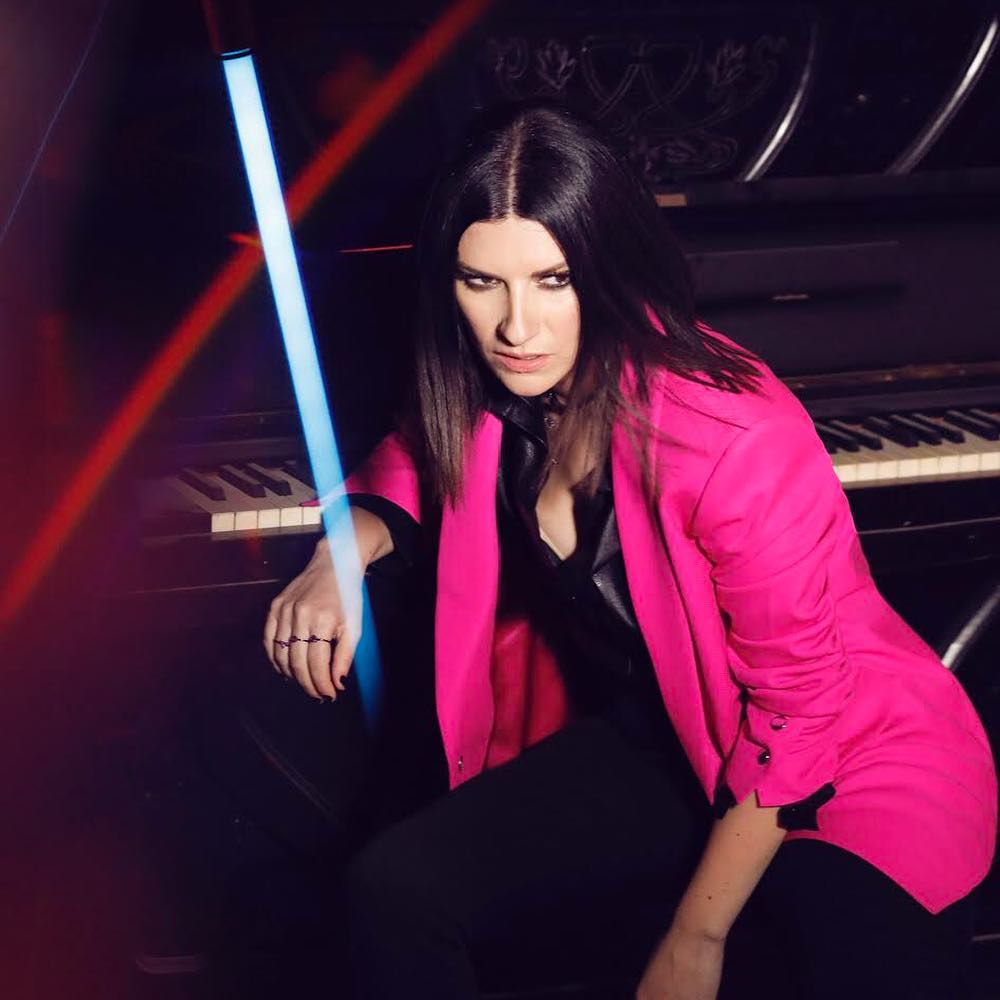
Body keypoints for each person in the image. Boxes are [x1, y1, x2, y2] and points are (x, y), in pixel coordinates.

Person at [262, 100, 997, 999]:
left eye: (554, 280)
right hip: (671, 737)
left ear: (606, 267)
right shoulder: (495, 387)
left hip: (851, 761)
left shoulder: (733, 434)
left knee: (803, 961)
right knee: (394, 890)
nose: (517, 327)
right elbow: (418, 455)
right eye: (482, 281)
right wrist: (338, 554)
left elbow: (801, 712)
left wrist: (696, 935)